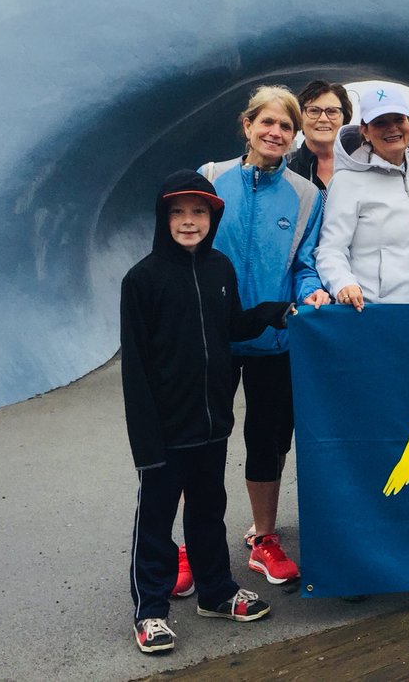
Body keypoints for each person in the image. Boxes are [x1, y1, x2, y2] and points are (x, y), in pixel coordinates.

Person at [121, 171, 289, 653]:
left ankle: (215, 592)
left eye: (199, 212)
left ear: (212, 216)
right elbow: (135, 369)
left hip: (213, 421)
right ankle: (150, 610)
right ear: (163, 217)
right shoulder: (143, 280)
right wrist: (146, 443)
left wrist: (271, 312)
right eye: (178, 212)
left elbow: (230, 328)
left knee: (209, 511)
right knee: (155, 519)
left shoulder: (220, 269)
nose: (189, 221)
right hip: (165, 430)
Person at [202, 85, 331, 585]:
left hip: (273, 337)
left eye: (286, 126)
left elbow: (305, 264)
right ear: (247, 125)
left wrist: (313, 291)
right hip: (212, 335)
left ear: (295, 136)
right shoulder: (210, 179)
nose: (276, 133)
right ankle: (196, 540)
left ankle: (263, 537)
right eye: (268, 123)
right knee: (203, 439)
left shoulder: (306, 195)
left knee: (266, 439)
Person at [315, 83, 409, 307]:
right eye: (380, 122)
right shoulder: (347, 181)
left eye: (398, 119)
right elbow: (330, 249)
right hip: (377, 316)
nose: (392, 128)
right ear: (364, 130)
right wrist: (343, 283)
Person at [287, 79, 354, 194]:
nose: (323, 119)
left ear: (344, 119)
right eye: (314, 111)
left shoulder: (360, 165)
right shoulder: (284, 169)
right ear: (300, 118)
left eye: (332, 111)